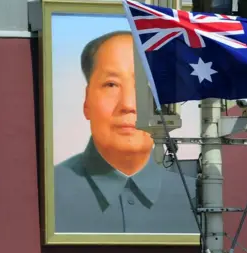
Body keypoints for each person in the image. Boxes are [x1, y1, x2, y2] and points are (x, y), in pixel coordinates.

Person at [54, 31, 198, 234]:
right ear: (87, 100)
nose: (129, 105)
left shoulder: (196, 197)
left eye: (144, 86)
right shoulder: (51, 191)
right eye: (111, 84)